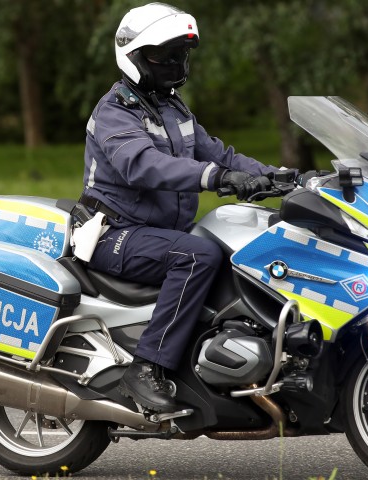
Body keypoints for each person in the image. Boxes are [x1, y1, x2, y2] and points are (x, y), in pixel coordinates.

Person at [79, 2, 287, 413]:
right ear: (133, 56)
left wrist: (283, 177)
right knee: (198, 256)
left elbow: (220, 154)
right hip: (114, 232)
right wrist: (216, 179)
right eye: (165, 54)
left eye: (181, 53)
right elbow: (143, 165)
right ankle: (146, 368)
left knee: (244, 248)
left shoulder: (173, 109)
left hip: (158, 232)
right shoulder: (114, 112)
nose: (176, 63)